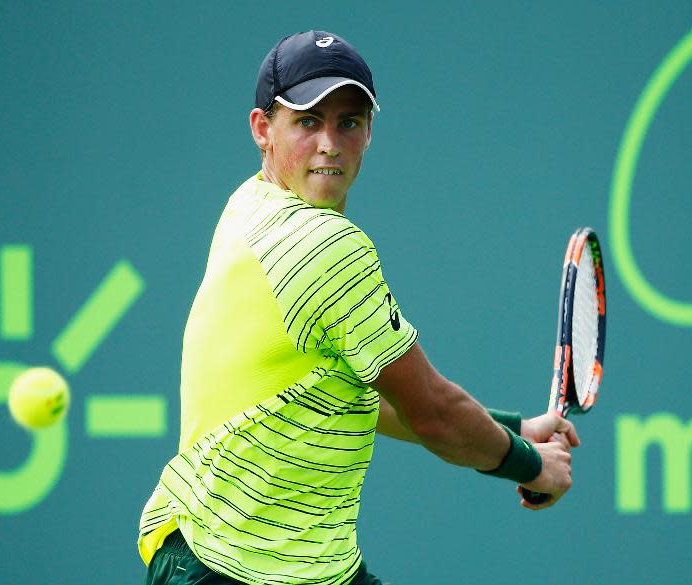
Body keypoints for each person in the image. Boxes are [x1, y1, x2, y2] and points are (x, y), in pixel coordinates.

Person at [138, 30, 579, 585]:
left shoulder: (251, 202)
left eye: (348, 122)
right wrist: (532, 465)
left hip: (246, 553)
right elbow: (433, 414)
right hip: (236, 565)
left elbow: (370, 393)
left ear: (369, 132)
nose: (330, 143)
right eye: (306, 121)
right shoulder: (324, 248)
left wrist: (516, 429)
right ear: (261, 129)